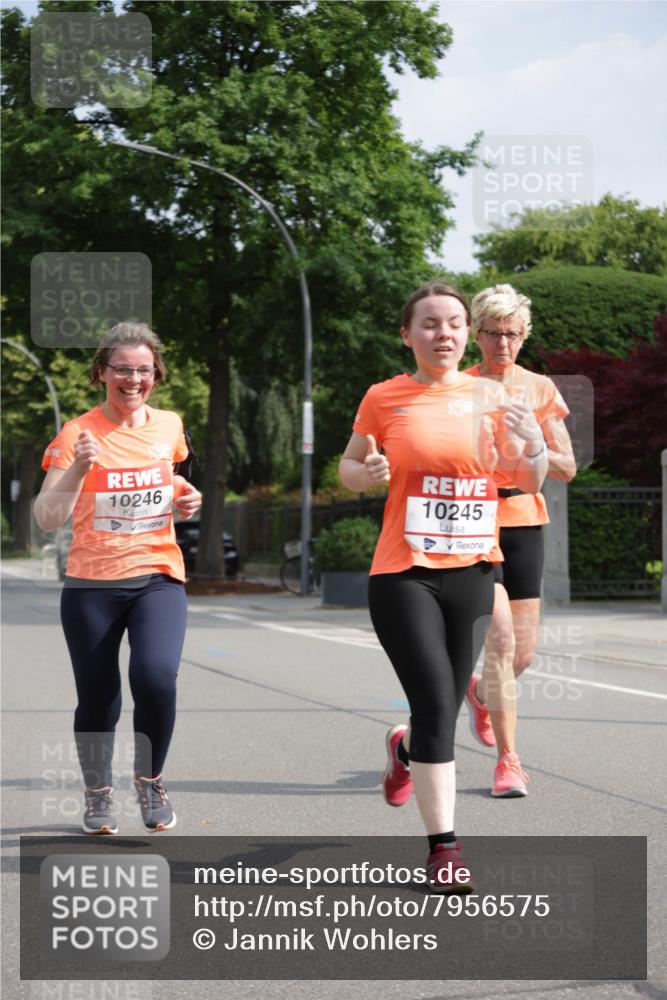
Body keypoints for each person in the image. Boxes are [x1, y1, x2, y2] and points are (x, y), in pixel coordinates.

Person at [339, 281, 548, 892]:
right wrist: (365, 471)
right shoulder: (384, 397)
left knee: (440, 712)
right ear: (408, 335)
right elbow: (350, 466)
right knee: (435, 702)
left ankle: (405, 753)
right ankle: (445, 849)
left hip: (474, 572)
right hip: (403, 573)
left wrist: (532, 442)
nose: (444, 333)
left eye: (454, 323)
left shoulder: (494, 396)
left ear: (467, 333)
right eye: (429, 324)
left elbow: (526, 477)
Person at [34, 322, 201, 835]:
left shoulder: (169, 425)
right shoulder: (76, 434)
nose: (133, 379)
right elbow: (46, 517)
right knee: (99, 696)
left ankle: (150, 780)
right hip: (92, 585)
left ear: (156, 375)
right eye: (122, 369)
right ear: (102, 372)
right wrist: (77, 470)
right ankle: (98, 794)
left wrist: (185, 495)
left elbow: (166, 479)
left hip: (157, 576)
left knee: (155, 679)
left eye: (144, 370)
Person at [464, 284, 576, 797]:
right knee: (501, 639)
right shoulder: (457, 388)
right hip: (473, 522)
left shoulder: (540, 389)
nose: (502, 343)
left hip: (525, 519)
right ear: (474, 334)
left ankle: (482, 696)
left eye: (511, 334)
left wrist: (535, 437)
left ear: (524, 336)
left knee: (523, 655)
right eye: (492, 333)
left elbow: (568, 467)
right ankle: (509, 761)